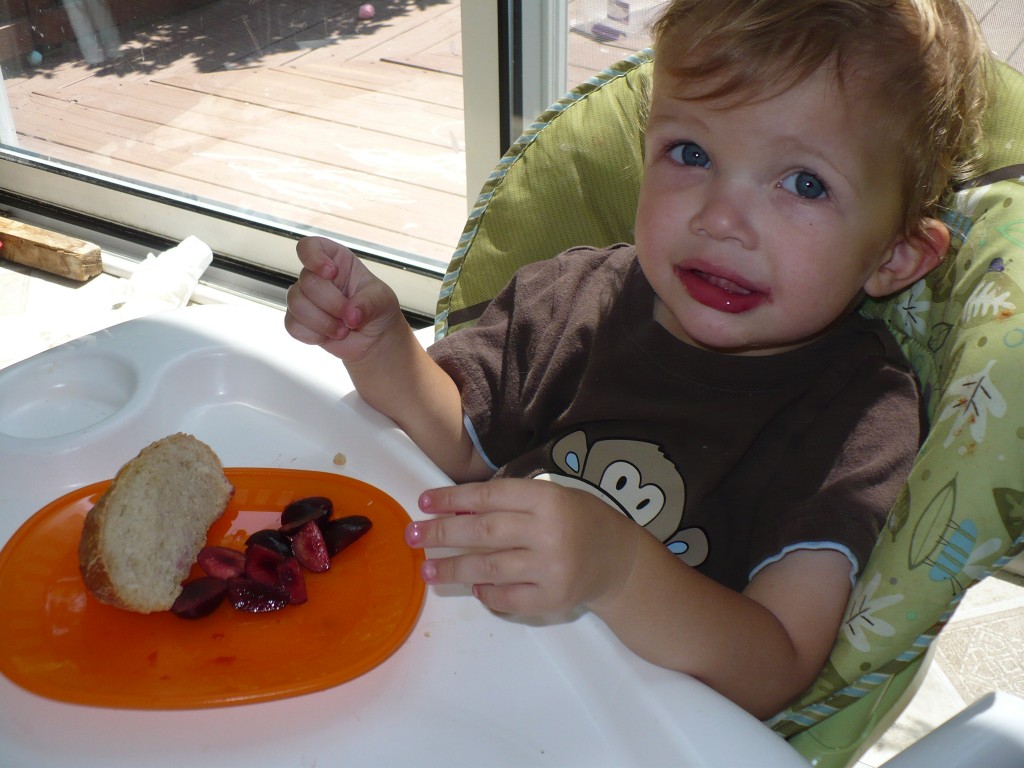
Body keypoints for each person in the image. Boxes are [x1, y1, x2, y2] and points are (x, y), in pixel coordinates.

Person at [284, 0, 990, 718]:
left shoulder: (858, 417)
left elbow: (776, 665)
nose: (719, 218)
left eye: (804, 183)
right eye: (692, 154)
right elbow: (463, 446)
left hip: (620, 729)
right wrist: (382, 351)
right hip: (446, 665)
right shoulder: (572, 297)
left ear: (896, 257)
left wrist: (617, 573)